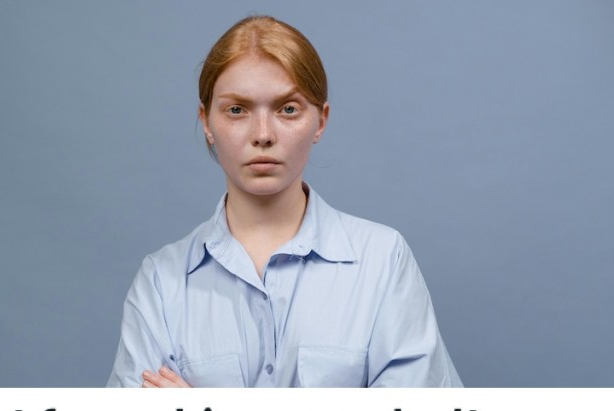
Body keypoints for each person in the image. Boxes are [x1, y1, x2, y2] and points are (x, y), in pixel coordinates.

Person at [107, 15, 462, 388]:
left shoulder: (383, 260)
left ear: (320, 121)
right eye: (236, 110)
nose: (263, 135)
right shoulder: (161, 281)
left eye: (288, 109)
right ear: (206, 122)